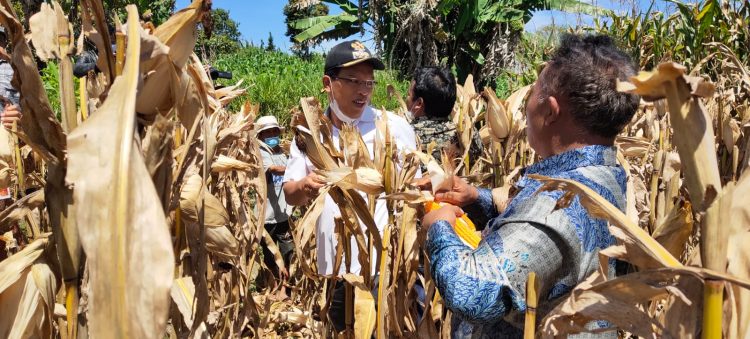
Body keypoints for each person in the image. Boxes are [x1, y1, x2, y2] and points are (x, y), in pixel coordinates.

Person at [421, 34, 639, 338]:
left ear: (549, 110)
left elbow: (472, 293)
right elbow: (546, 237)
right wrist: (475, 198)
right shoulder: (603, 174)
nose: (525, 109)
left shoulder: (557, 201)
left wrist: (439, 227)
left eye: (531, 96)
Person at [282, 40, 417, 331]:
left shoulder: (393, 127)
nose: (364, 91)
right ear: (328, 83)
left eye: (369, 82)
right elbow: (289, 194)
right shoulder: (310, 134)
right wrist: (305, 186)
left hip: (384, 266)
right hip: (335, 268)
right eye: (354, 81)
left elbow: (413, 184)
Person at [407, 66, 481, 167]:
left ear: (419, 103)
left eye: (408, 95)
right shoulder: (470, 136)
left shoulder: (406, 135)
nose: (406, 98)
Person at [256, 115, 293, 286]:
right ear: (261, 136)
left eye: (274, 131)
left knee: (288, 252)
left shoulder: (283, 152)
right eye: (267, 132)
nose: (271, 135)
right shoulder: (261, 152)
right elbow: (273, 169)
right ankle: (273, 285)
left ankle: (286, 287)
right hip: (268, 216)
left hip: (284, 214)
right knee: (271, 254)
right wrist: (295, 170)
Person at [0, 26, 21, 130]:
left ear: (4, 43)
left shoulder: (18, 68)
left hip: (11, 133)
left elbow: (35, 103)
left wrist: (22, 119)